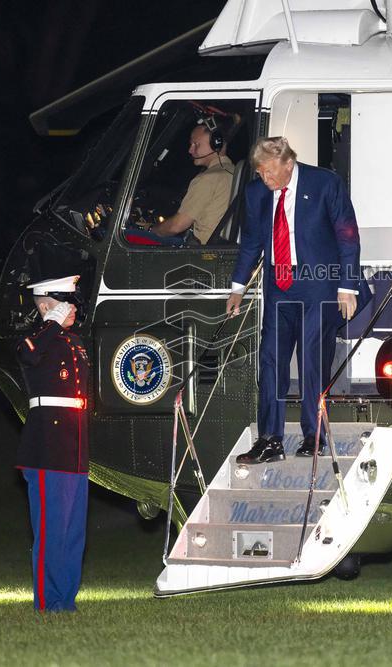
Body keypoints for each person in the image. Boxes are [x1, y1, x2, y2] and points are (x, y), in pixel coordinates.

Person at [225, 137, 365, 464]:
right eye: (261, 174)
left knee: (312, 361)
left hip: (319, 285)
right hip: (278, 287)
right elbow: (251, 243)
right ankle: (270, 440)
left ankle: (312, 435)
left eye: (271, 173)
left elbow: (348, 236)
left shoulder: (325, 183)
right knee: (271, 360)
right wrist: (237, 288)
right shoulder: (256, 192)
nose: (267, 180)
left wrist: (347, 287)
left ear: (289, 163)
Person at [15, 275, 90, 612]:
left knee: (73, 531)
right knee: (51, 530)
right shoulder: (37, 339)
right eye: (64, 302)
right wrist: (49, 324)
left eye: (73, 301)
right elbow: (28, 355)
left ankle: (66, 600)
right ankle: (49, 601)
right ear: (46, 305)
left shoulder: (73, 342)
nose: (72, 307)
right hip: (48, 445)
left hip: (74, 446)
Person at [122, 115, 236, 246]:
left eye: (196, 144)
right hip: (215, 247)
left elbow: (176, 226)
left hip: (198, 250)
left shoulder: (208, 178)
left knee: (126, 236)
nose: (190, 150)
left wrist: (151, 229)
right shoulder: (233, 172)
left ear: (216, 143)